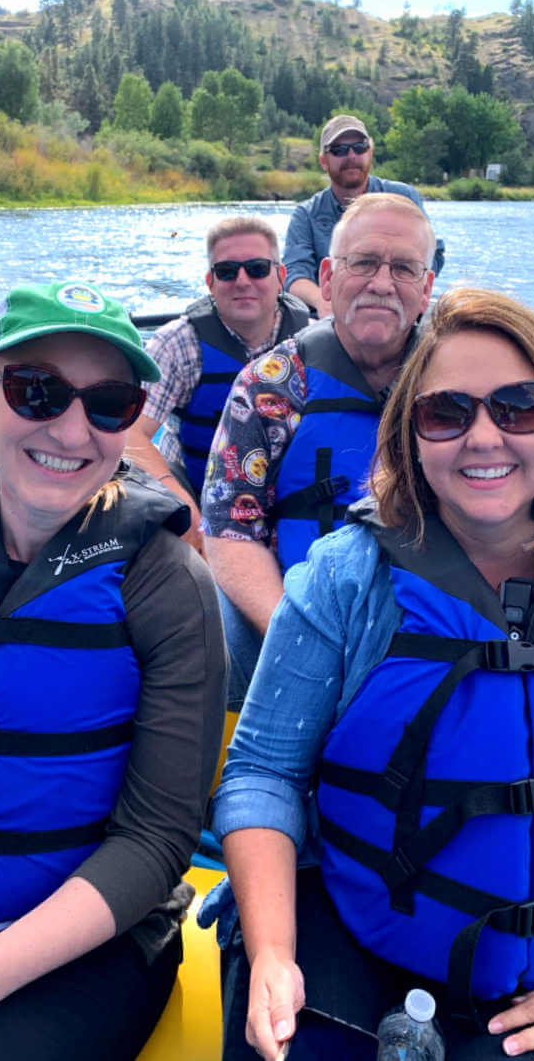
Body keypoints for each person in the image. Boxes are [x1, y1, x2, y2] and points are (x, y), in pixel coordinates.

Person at [204, 287, 534, 1061]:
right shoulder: (345, 577)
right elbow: (263, 771)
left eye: (520, 406)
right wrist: (272, 950)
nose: (483, 438)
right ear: (410, 434)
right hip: (359, 942)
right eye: (447, 413)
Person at [0, 281, 226, 1059]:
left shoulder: (167, 586)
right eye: (37, 391)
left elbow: (154, 842)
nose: (71, 428)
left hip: (93, 944)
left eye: (109, 402)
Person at [202, 192, 435, 707]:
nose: (381, 283)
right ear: (327, 278)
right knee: (208, 628)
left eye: (403, 268)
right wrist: (297, 634)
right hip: (296, 607)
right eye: (365, 263)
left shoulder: (458, 380)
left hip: (435, 615)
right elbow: (230, 529)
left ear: (427, 288)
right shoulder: (272, 383)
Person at [126, 216, 309, 550]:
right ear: (210, 282)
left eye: (257, 268)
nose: (242, 281)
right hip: (193, 491)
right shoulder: (178, 343)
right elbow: (129, 433)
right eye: (227, 271)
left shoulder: (312, 342)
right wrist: (188, 514)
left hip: (285, 502)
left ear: (281, 276)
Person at [282, 114, 445, 317]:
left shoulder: (404, 197)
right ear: (323, 161)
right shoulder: (305, 215)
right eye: (339, 150)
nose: (351, 156)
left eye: (359, 147)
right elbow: (294, 274)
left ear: (370, 152)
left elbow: (433, 257)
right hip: (332, 319)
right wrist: (322, 301)